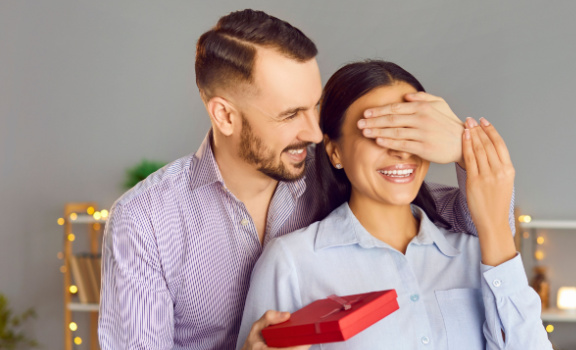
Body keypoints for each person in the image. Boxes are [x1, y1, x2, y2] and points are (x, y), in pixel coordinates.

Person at [98, 10, 509, 350]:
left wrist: (463, 144)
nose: (314, 132)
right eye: (290, 114)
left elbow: (480, 225)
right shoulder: (146, 221)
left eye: (314, 107)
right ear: (224, 115)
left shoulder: (335, 170)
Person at [237, 60, 551, 349]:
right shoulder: (291, 263)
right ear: (334, 152)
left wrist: (494, 226)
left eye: (411, 132)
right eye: (378, 133)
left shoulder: (475, 253)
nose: (401, 151)